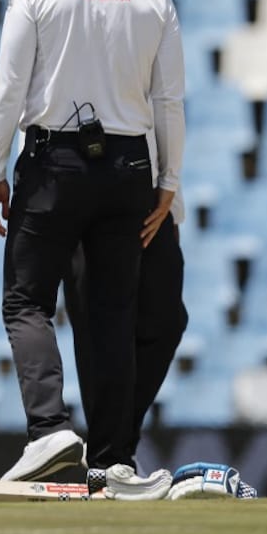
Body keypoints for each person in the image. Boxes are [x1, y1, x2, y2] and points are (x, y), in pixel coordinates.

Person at [0, 0, 184, 500]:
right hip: (130, 167)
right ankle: (113, 458)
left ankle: (49, 431)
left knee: (26, 301)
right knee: (112, 313)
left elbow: (10, 87)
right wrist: (168, 181)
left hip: (53, 160)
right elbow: (168, 101)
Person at [63, 165, 187, 476]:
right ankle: (109, 458)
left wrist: (174, 205)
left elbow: (165, 118)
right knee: (96, 327)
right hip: (78, 190)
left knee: (168, 321)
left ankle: (116, 448)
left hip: (146, 193)